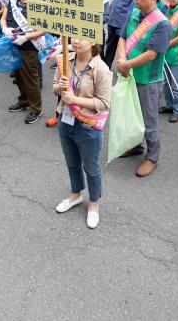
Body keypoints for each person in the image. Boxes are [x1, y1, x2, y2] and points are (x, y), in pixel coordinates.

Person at [53, 36, 112, 229]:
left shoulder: (101, 69)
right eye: (74, 36)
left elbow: (104, 103)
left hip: (88, 126)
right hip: (65, 121)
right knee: (72, 163)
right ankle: (76, 194)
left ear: (94, 42)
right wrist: (60, 89)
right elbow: (55, 87)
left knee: (92, 168)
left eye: (82, 37)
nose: (76, 41)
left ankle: (93, 204)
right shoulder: (65, 60)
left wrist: (74, 100)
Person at [116, 0, 172, 177]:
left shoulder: (162, 24)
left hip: (149, 79)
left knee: (149, 120)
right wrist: (122, 60)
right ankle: (136, 146)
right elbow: (122, 37)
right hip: (129, 74)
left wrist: (126, 64)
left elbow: (151, 54)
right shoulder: (134, 12)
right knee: (132, 116)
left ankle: (152, 157)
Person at [2, 0, 48, 124]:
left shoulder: (38, 2)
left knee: (30, 77)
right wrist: (4, 28)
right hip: (13, 41)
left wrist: (27, 37)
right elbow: (4, 15)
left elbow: (44, 28)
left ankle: (36, 108)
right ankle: (23, 100)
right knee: (18, 75)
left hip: (29, 45)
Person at [103, 0, 137, 68]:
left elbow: (134, 5)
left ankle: (125, 68)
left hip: (125, 21)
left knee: (125, 48)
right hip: (112, 18)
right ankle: (106, 68)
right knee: (110, 45)